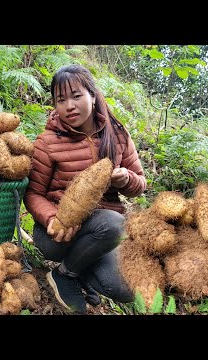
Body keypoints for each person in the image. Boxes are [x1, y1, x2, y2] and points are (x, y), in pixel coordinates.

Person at [24, 64, 147, 314]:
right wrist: (51, 218)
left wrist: (127, 180)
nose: (69, 106)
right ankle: (65, 275)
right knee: (114, 224)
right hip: (57, 234)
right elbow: (33, 193)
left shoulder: (118, 135)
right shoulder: (48, 142)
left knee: (125, 290)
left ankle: (73, 270)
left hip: (103, 231)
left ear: (93, 95)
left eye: (76, 96)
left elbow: (140, 183)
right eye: (61, 99)